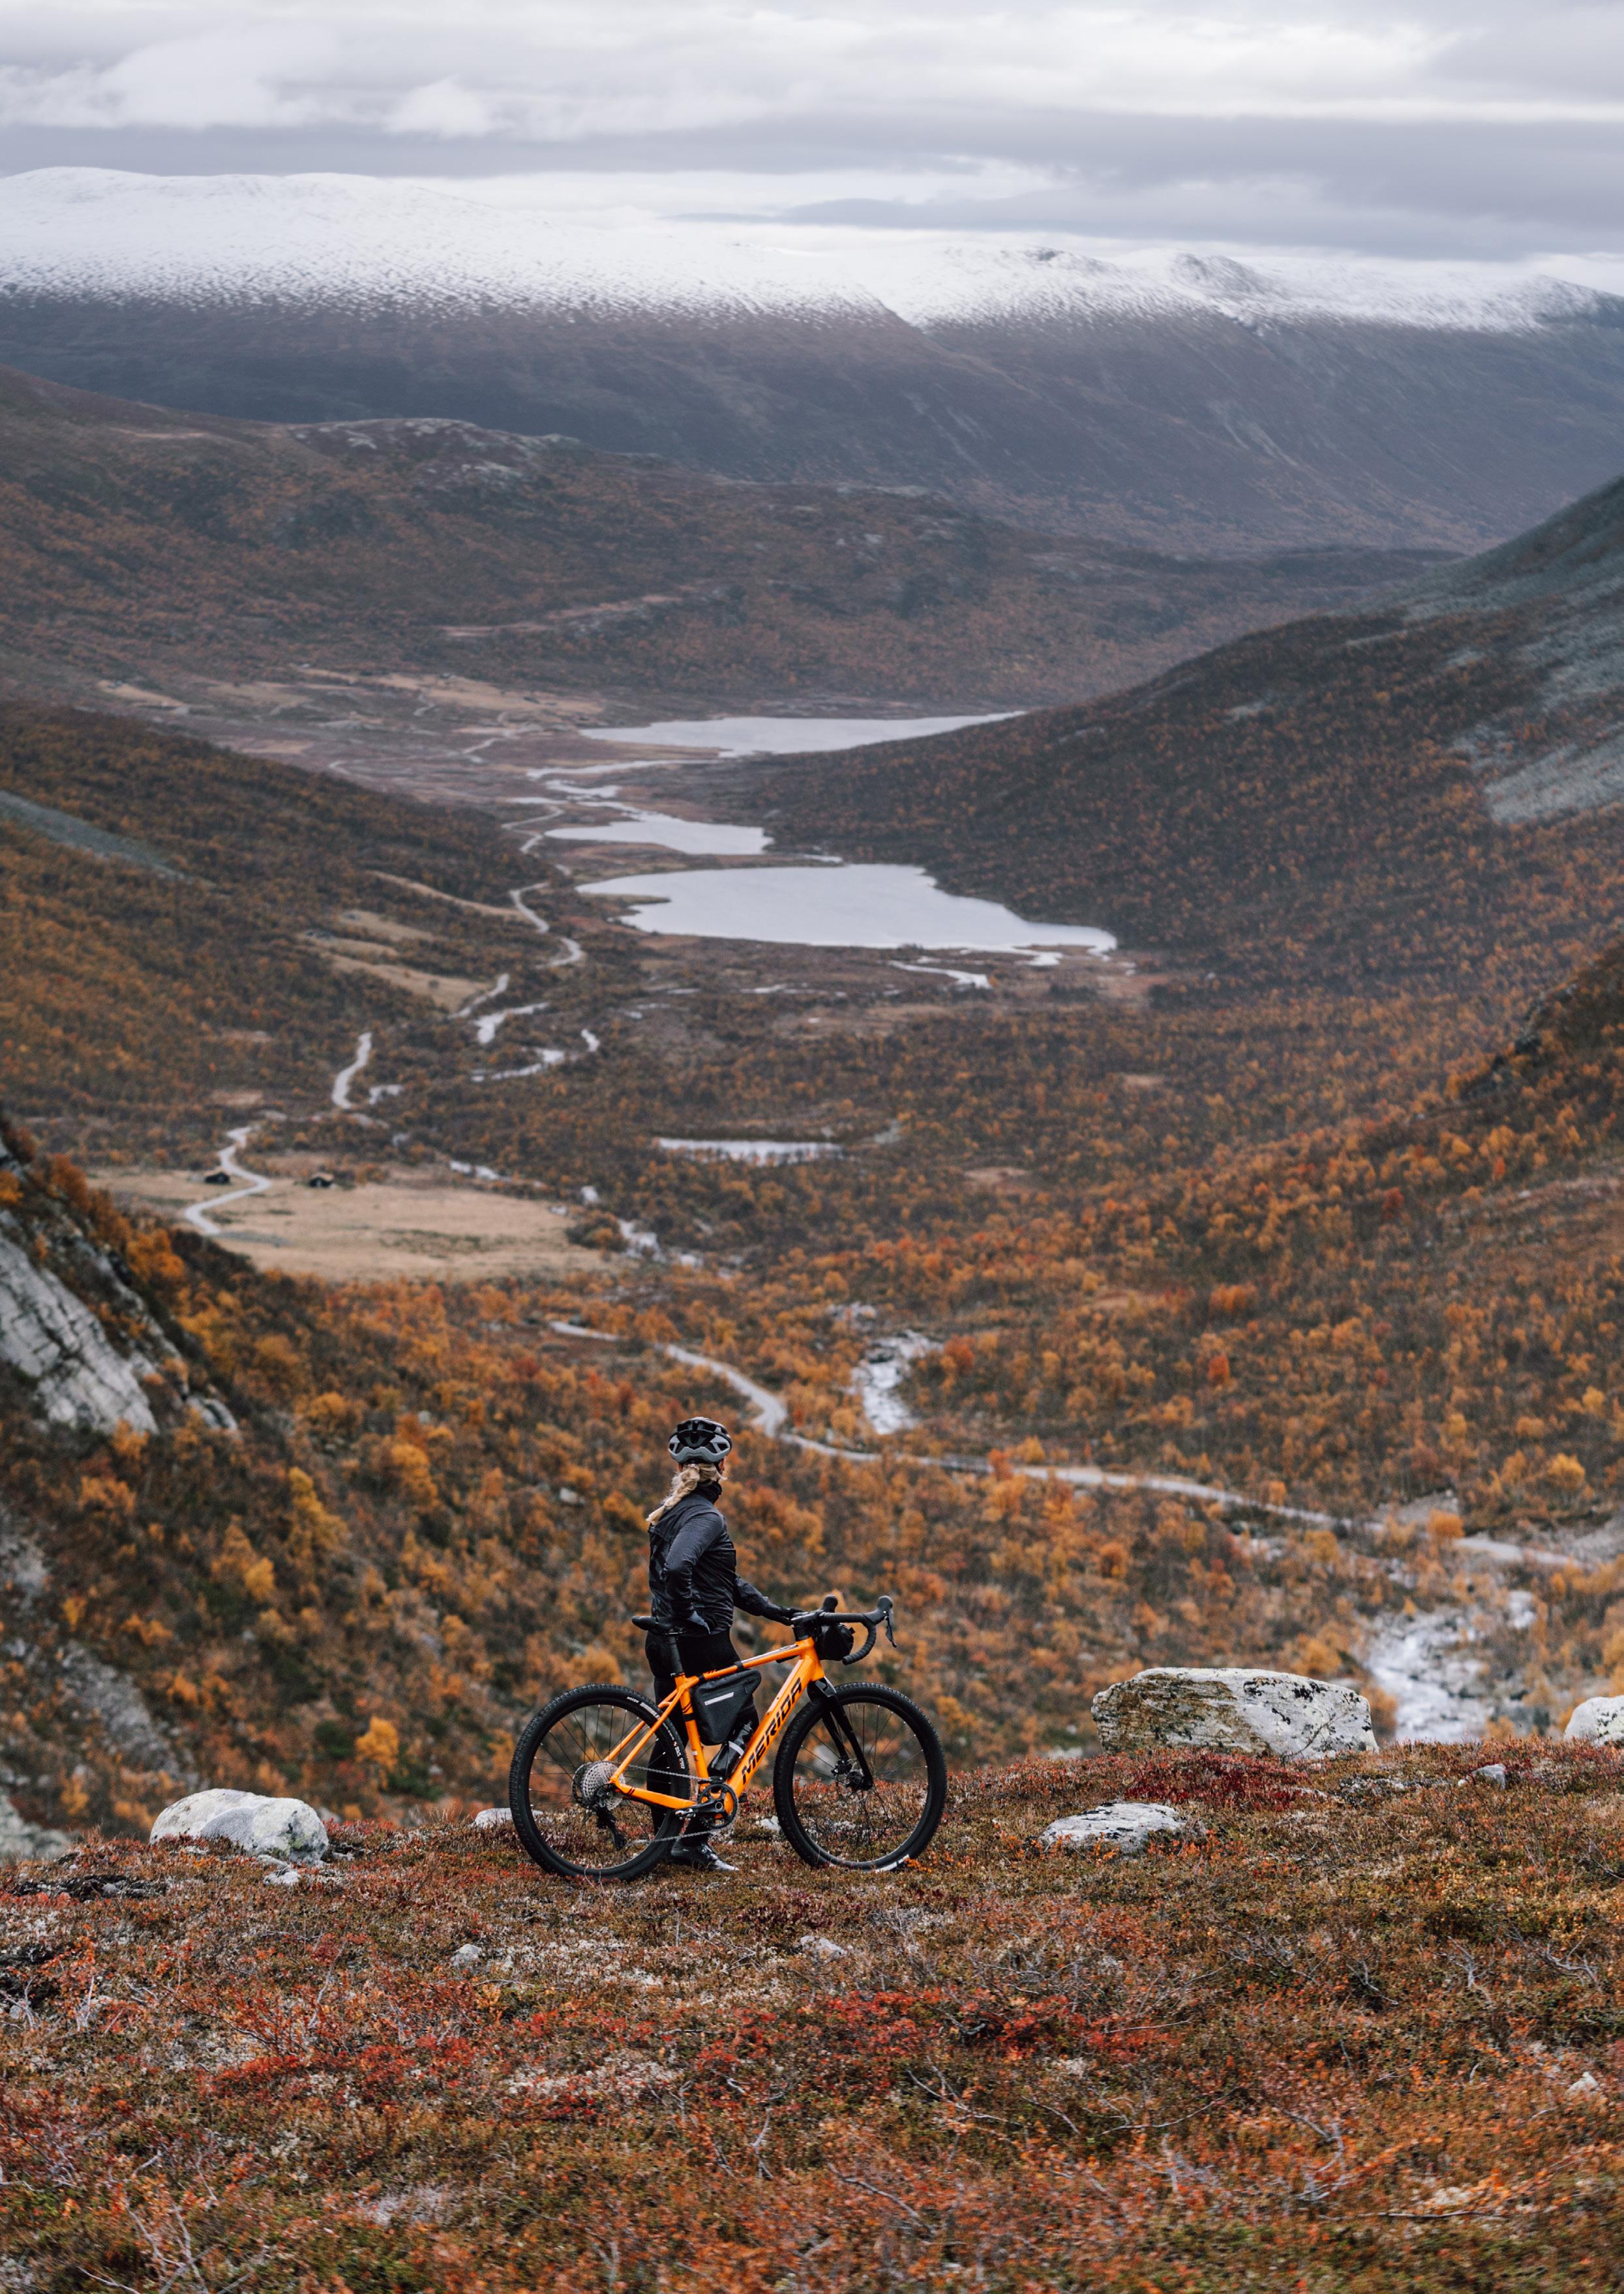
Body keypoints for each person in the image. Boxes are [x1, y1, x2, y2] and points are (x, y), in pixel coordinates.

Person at [646, 1414, 798, 1872]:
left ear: (681, 1467)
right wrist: (690, 1614)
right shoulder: (707, 1516)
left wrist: (776, 1611)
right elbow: (679, 1567)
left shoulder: (674, 1511)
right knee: (747, 1722)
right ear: (723, 1467)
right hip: (701, 1640)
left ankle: (663, 1842)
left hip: (663, 1640)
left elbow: (723, 1581)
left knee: (671, 1739)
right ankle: (697, 1833)